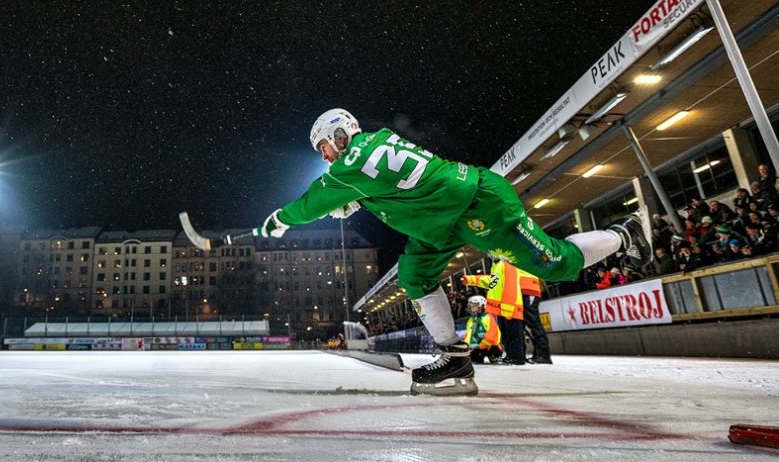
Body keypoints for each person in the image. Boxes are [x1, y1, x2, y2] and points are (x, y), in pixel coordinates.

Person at [254, 108, 648, 395]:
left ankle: (624, 234)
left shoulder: (350, 163)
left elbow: (313, 201)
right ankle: (454, 356)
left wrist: (279, 220)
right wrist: (360, 200)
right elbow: (394, 184)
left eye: (323, 146)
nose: (324, 156)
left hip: (477, 205)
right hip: (439, 221)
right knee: (414, 275)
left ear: (341, 135)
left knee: (553, 264)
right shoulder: (371, 147)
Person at [463, 296, 502, 364]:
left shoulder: (488, 318)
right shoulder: (471, 320)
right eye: (471, 306)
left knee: (494, 349)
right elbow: (468, 335)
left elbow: (494, 337)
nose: (472, 308)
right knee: (474, 357)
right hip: (478, 347)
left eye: (474, 306)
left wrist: (481, 341)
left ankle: (494, 357)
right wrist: (467, 346)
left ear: (482, 306)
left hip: (490, 346)